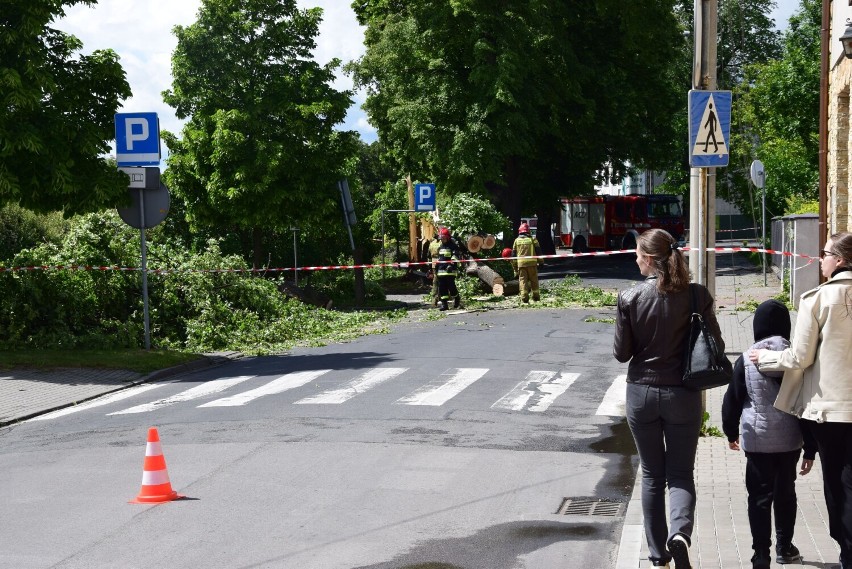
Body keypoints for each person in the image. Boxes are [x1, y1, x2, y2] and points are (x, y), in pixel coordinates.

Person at [613, 227, 723, 569]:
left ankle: (658, 554)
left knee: (651, 475)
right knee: (680, 474)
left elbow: (621, 354)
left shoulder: (629, 297)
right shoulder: (697, 296)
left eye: (637, 253)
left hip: (642, 394)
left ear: (648, 258)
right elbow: (715, 346)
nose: (634, 258)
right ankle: (680, 533)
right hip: (683, 395)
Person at [750, 232, 852, 568]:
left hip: (829, 412)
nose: (820, 259)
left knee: (837, 482)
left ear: (839, 260)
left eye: (824, 253)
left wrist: (763, 359)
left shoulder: (817, 299)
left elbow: (800, 358)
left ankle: (847, 547)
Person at [722, 299, 815, 568]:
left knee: (759, 497)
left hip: (757, 441)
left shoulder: (746, 359)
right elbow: (806, 406)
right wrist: (810, 448)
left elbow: (732, 400)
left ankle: (760, 554)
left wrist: (730, 432)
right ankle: (785, 548)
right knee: (786, 494)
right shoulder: (797, 359)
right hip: (789, 442)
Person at [512, 222, 542, 303]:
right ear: (528, 231)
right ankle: (536, 297)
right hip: (532, 264)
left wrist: (514, 267)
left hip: (521, 265)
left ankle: (524, 297)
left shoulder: (516, 241)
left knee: (523, 281)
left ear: (520, 231)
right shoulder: (533, 239)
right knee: (534, 280)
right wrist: (541, 262)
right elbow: (538, 252)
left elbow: (513, 255)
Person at [435, 227, 461, 311]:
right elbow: (439, 259)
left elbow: (455, 257)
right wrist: (435, 268)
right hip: (441, 271)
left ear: (448, 237)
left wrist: (451, 265)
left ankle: (457, 298)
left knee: (451, 287)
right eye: (441, 238)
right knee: (442, 288)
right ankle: (444, 304)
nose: (443, 239)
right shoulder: (441, 246)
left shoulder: (453, 246)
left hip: (450, 271)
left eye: (444, 238)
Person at [428, 232, 443, 307]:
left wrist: (429, 267)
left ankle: (434, 299)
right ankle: (439, 298)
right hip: (442, 262)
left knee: (435, 281)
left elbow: (428, 255)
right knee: (442, 280)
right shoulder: (441, 243)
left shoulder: (431, 243)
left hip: (433, 262)